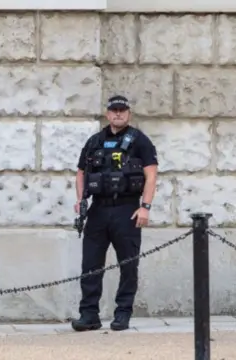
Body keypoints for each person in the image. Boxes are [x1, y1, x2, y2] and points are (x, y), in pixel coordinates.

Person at [71, 95, 158, 332]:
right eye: (114, 110)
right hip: (98, 209)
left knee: (128, 265)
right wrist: (80, 200)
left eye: (122, 110)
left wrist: (145, 206)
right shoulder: (95, 141)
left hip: (127, 209)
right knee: (90, 265)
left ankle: (123, 314)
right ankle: (89, 315)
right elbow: (80, 172)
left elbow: (151, 174)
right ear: (107, 114)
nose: (118, 114)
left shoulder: (140, 141)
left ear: (128, 113)